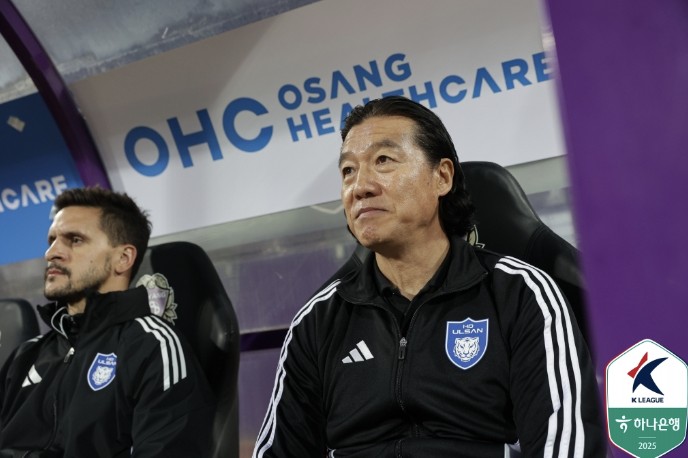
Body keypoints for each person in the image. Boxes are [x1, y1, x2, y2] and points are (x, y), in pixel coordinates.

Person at [253, 96, 606, 457]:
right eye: (348, 171)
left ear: (442, 177)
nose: (360, 187)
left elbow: (567, 447)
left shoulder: (522, 294)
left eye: (383, 160)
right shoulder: (317, 321)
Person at [0, 187, 215, 457]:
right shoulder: (26, 356)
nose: (52, 253)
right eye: (52, 240)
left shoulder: (153, 347)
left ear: (123, 259)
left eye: (75, 240)